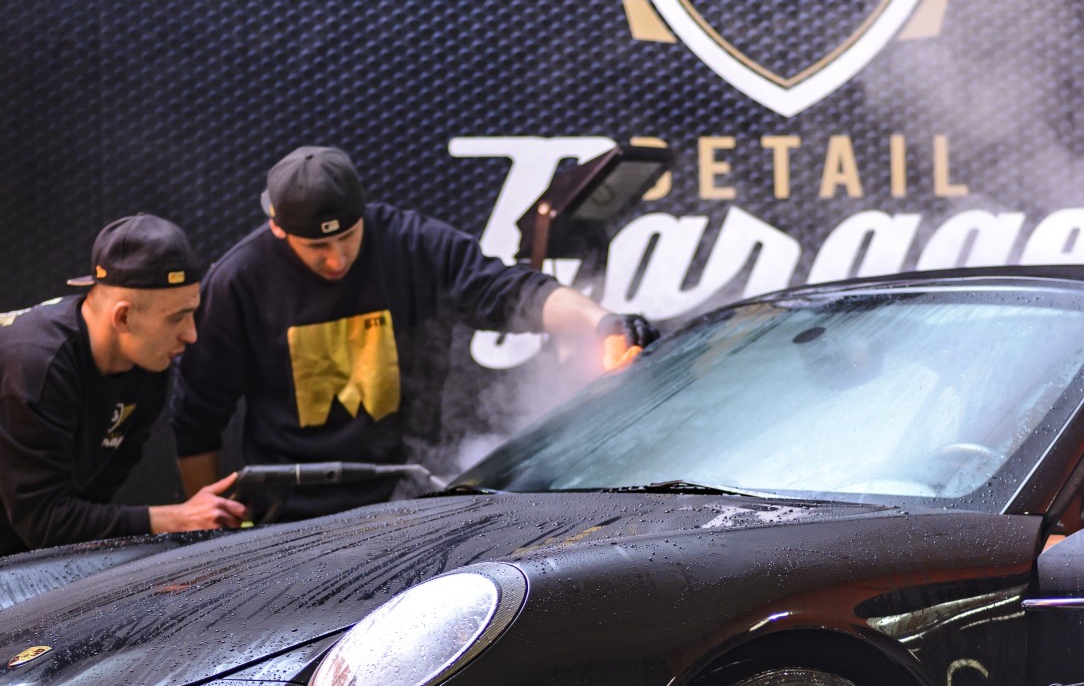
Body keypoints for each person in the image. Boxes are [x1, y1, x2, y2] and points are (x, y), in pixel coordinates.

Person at [170, 145, 656, 518]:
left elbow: (509, 291)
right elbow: (197, 418)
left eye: (348, 237)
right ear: (279, 229)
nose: (337, 259)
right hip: (289, 514)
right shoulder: (239, 281)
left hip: (409, 498)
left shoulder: (409, 243)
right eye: (317, 247)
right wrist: (214, 523)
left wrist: (601, 321)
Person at [0, 214, 246, 557]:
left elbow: (87, 503)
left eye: (193, 312)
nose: (191, 334)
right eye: (177, 317)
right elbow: (44, 525)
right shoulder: (37, 366)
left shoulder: (147, 362)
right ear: (123, 317)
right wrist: (173, 518)